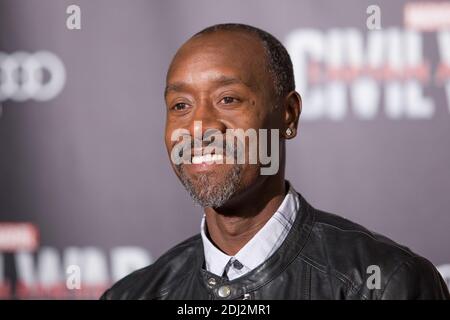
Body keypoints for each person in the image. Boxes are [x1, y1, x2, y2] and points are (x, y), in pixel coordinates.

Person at [101, 23, 449, 300]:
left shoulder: (386, 283)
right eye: (180, 105)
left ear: (288, 115)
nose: (200, 126)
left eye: (228, 98)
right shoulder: (133, 294)